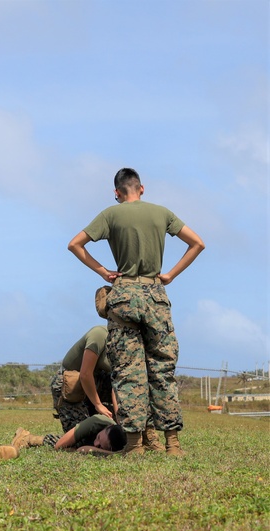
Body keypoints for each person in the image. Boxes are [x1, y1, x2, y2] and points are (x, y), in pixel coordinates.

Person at [68, 167, 204, 456]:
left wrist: (103, 271)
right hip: (156, 295)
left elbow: (75, 244)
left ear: (117, 192)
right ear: (142, 189)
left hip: (124, 296)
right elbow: (197, 243)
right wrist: (170, 275)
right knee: (162, 371)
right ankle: (172, 445)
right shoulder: (162, 213)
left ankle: (135, 446)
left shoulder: (110, 214)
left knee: (130, 373)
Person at [50, 325, 116, 433]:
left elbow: (118, 385)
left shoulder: (125, 345)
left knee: (107, 436)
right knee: (81, 439)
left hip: (95, 383)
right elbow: (85, 374)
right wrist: (98, 405)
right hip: (70, 386)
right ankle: (29, 439)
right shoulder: (99, 334)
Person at [16, 416, 127, 457]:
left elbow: (86, 450)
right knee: (59, 443)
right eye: (98, 439)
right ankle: (27, 438)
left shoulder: (124, 440)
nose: (96, 444)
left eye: (102, 446)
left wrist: (114, 454)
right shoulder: (95, 422)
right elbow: (59, 446)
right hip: (77, 412)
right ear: (108, 426)